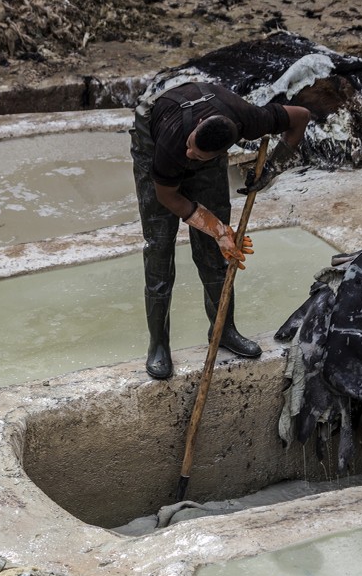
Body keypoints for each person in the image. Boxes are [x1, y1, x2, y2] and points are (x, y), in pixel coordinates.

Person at [130, 81, 313, 379]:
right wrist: (216, 228)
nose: (190, 154)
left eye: (197, 154)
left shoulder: (249, 118)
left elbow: (301, 116)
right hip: (153, 143)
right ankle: (158, 344)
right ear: (197, 127)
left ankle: (224, 330)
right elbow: (169, 197)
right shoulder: (174, 142)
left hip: (206, 154)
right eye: (191, 146)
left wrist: (271, 169)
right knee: (159, 249)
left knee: (216, 256)